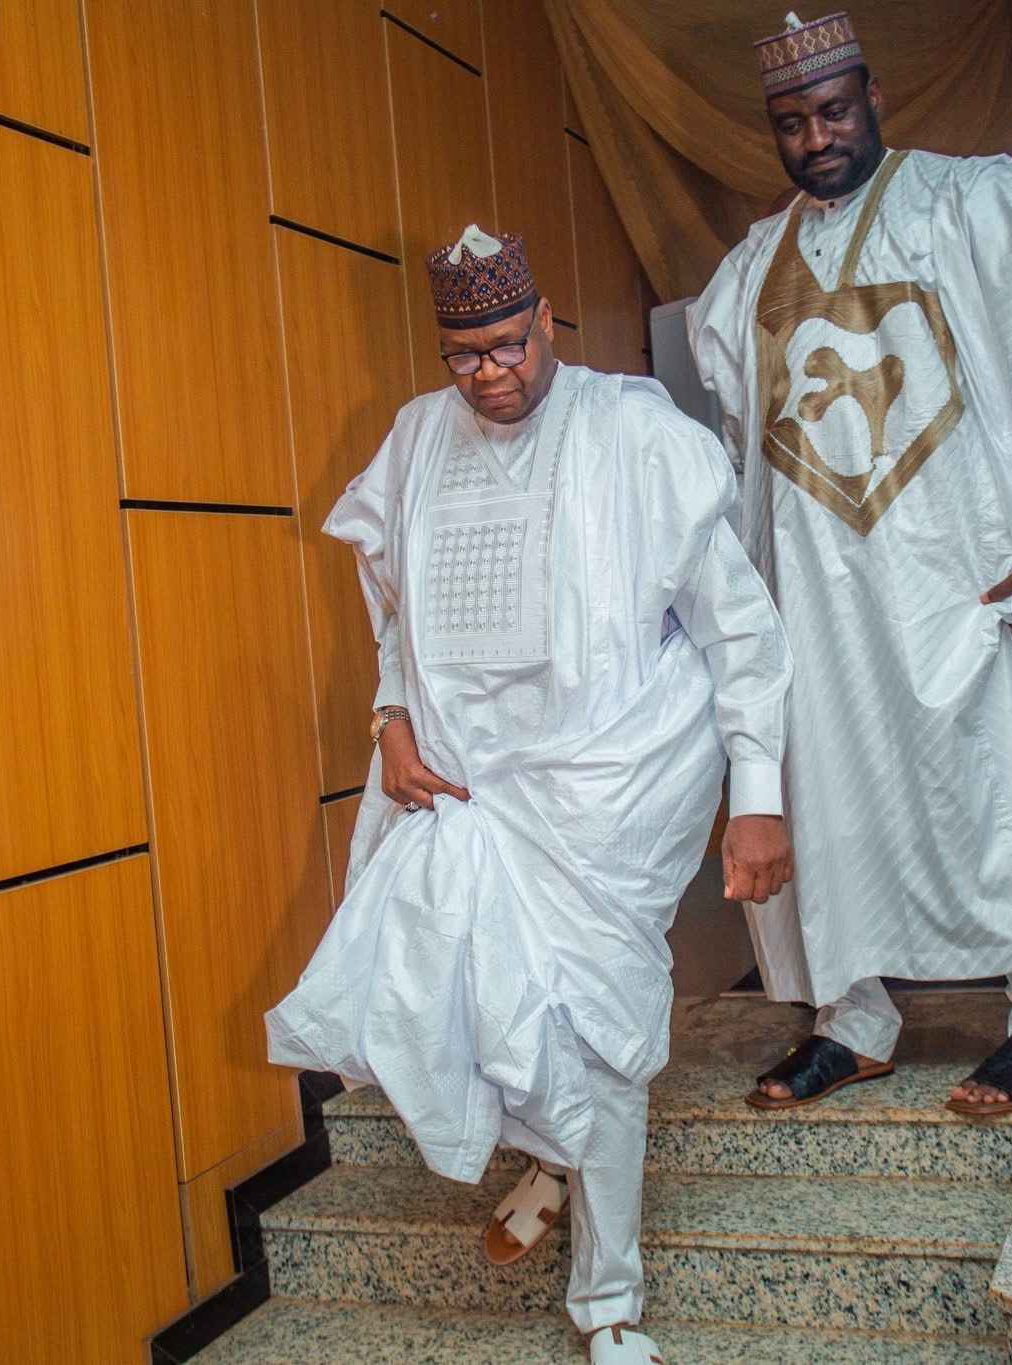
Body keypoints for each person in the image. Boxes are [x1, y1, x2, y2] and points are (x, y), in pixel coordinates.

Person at [266, 225, 794, 1362]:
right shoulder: (417, 436)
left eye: (510, 344)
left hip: (611, 789)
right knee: (476, 999)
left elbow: (738, 629)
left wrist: (756, 791)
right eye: (464, 355)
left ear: (546, 320)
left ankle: (609, 1304)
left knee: (599, 1030)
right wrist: (388, 718)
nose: (490, 373)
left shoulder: (635, 432)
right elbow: (395, 613)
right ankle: (556, 1156)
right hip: (461, 786)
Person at [687, 11, 1012, 1117]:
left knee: (1002, 780)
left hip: (966, 567)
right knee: (833, 795)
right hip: (820, 593)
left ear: (871, 97)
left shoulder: (963, 206)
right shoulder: (749, 270)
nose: (816, 138)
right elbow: (739, 453)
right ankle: (853, 1020)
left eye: (833, 111)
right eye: (791, 123)